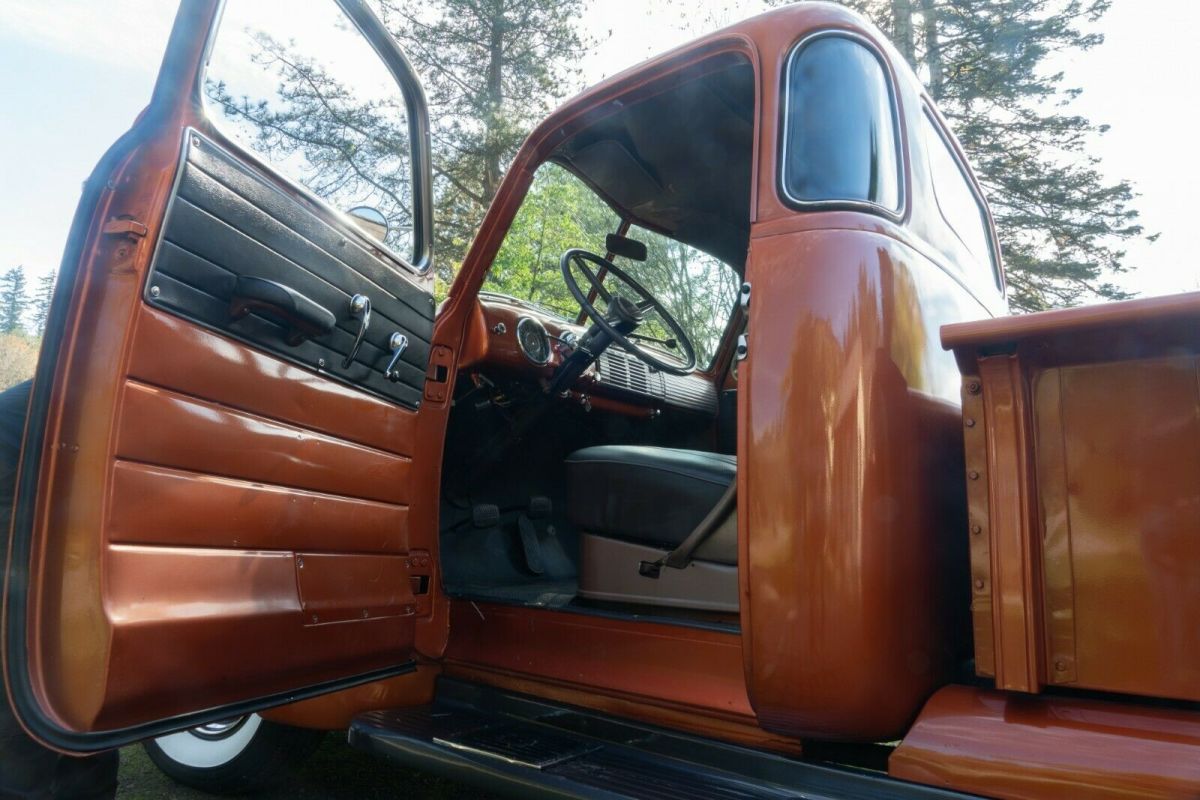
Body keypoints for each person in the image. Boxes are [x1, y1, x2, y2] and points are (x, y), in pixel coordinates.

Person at [0, 381, 118, 800]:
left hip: (49, 548)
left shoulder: (79, 381)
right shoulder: (84, 380)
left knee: (37, 691)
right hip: (33, 543)